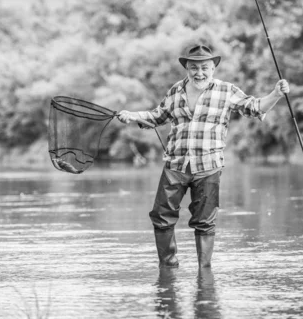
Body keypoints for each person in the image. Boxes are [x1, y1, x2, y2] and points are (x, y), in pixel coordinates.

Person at [117, 42, 289, 268]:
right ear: (187, 68)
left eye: (204, 68)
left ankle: (204, 274)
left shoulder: (226, 91)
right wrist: (132, 115)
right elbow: (157, 116)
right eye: (194, 68)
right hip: (175, 165)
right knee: (161, 216)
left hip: (209, 166)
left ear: (213, 68)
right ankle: (168, 268)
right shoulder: (175, 90)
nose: (199, 73)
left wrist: (276, 94)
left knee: (205, 223)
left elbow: (256, 107)